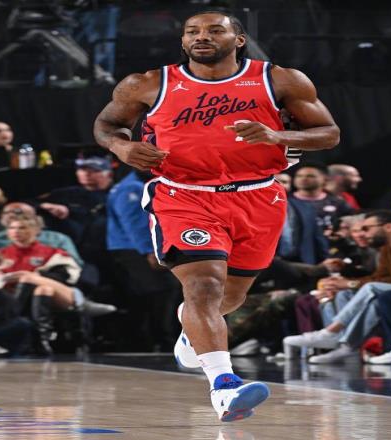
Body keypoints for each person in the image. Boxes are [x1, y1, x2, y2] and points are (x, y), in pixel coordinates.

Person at [93, 11, 339, 421]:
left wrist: (278, 135)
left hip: (258, 196)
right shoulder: (148, 83)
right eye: (192, 31)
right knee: (204, 285)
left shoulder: (280, 80)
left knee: (231, 297)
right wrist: (121, 147)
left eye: (213, 30)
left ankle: (193, 333)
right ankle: (224, 386)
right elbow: (107, 123)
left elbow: (328, 133)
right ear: (183, 40)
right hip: (184, 195)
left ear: (238, 39)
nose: (201, 37)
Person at [283, 210, 391, 363]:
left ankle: (333, 332)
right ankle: (347, 347)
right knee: (349, 294)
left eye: (367, 228)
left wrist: (350, 283)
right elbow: (379, 277)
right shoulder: (388, 246)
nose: (363, 234)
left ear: (389, 227)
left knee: (370, 289)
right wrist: (345, 285)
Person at [107, 169, 180, 351]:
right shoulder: (132, 188)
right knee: (163, 289)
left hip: (132, 248)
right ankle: (162, 340)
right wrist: (150, 250)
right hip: (134, 248)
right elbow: (135, 224)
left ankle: (151, 340)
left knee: (149, 294)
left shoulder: (135, 185)